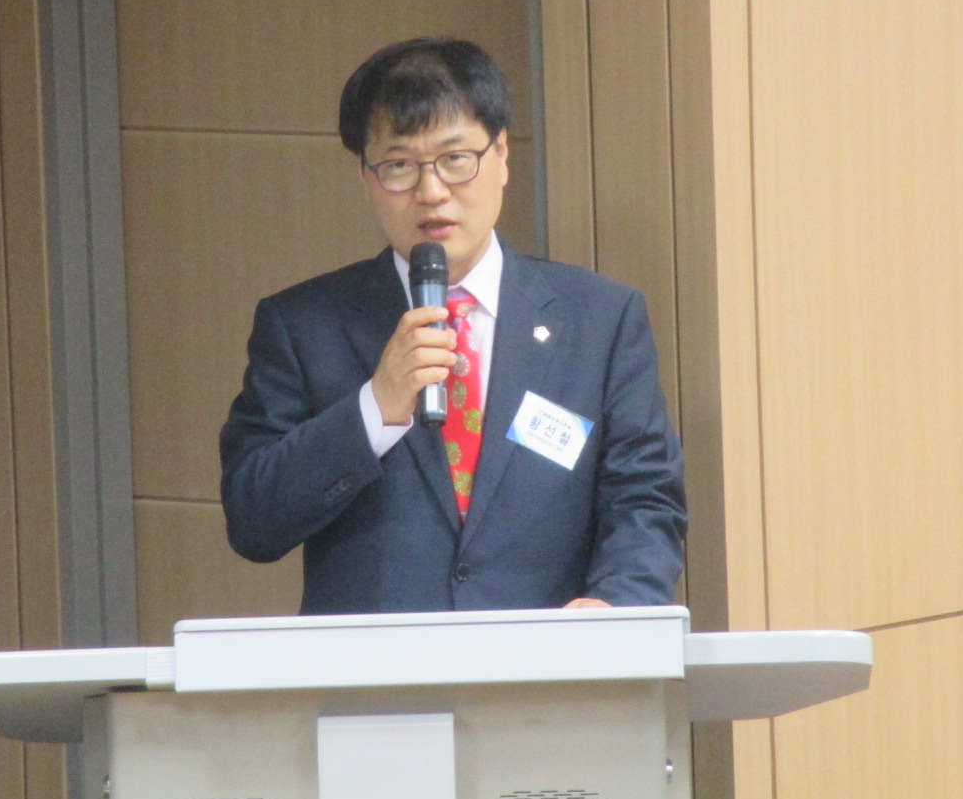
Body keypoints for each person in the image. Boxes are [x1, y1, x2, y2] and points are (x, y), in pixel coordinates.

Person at [219, 37, 686, 614]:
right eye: (399, 166)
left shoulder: (600, 320)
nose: (432, 191)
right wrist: (374, 407)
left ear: (502, 155)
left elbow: (646, 500)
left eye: (455, 159)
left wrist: (615, 604)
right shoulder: (303, 326)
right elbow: (253, 521)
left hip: (548, 660)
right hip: (376, 667)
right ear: (365, 177)